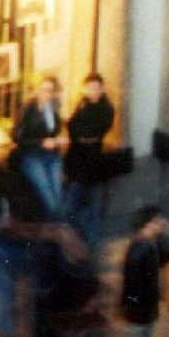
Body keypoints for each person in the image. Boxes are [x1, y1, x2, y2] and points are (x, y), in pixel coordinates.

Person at [61, 75, 117, 237]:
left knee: (81, 198)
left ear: (102, 89)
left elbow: (92, 132)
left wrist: (78, 132)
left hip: (90, 159)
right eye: (89, 88)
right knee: (78, 197)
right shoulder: (82, 103)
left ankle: (84, 235)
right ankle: (77, 233)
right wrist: (75, 131)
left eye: (96, 88)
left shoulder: (106, 108)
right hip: (75, 157)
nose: (92, 91)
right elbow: (71, 125)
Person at [13, 76, 69, 219]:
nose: (48, 94)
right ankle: (60, 234)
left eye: (51, 91)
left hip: (52, 156)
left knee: (58, 196)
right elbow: (16, 137)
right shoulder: (27, 108)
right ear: (37, 90)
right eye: (44, 90)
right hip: (32, 157)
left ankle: (58, 234)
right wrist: (41, 142)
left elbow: (53, 132)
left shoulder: (54, 107)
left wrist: (58, 140)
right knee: (49, 199)